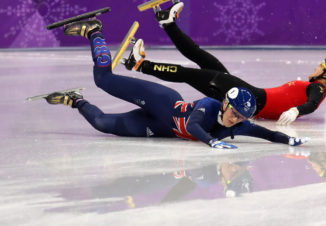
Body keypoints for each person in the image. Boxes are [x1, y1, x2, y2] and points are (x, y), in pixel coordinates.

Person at [42, 14, 309, 149]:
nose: (235, 120)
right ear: (225, 102)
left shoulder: (236, 125)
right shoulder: (210, 105)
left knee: (102, 124)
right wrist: (211, 142)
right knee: (103, 79)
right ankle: (94, 30)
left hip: (158, 127)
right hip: (163, 103)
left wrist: (289, 141)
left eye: (240, 118)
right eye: (234, 113)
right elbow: (193, 126)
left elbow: (267, 134)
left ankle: (74, 99)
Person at [122, 1, 326, 125]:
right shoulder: (317, 87)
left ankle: (140, 64)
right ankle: (168, 23)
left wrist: (296, 110)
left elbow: (312, 104)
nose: (317, 67)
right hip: (247, 97)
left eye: (323, 67)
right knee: (203, 58)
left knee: (190, 73)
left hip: (248, 97)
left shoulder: (317, 89)